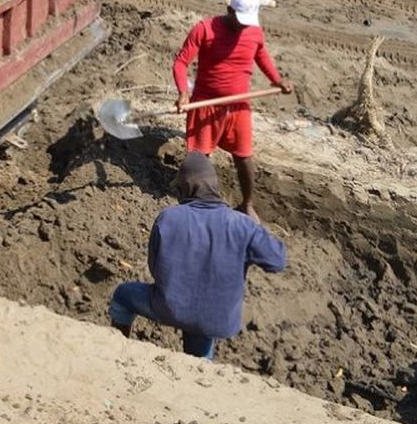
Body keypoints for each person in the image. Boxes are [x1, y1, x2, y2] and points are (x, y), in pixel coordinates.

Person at [109, 152, 287, 359]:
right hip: (217, 320)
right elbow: (277, 261)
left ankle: (118, 352)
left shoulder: (168, 218)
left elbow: (155, 268)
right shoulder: (243, 225)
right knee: (201, 329)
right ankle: (200, 369)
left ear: (186, 186)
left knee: (123, 295)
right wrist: (258, 228)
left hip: (170, 307)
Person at [171, 0, 292, 220]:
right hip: (206, 104)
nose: (243, 27)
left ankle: (247, 204)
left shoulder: (254, 32)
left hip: (238, 107)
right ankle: (197, 205)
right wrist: (183, 93)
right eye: (240, 20)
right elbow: (181, 62)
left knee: (244, 156)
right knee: (199, 158)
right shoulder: (205, 29)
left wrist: (277, 80)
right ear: (229, 11)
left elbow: (262, 56)